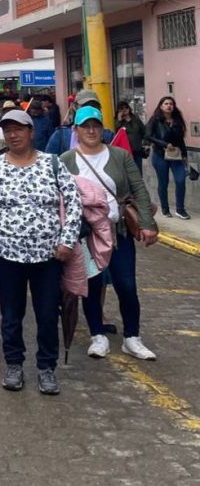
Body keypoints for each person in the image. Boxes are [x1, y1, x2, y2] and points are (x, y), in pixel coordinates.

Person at [0, 109, 82, 395]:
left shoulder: (53, 164)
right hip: (8, 255)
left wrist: (67, 241)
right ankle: (13, 364)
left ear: (31, 132)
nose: (13, 135)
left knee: (47, 314)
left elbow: (73, 204)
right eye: (8, 130)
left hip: (48, 255)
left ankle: (47, 368)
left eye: (19, 129)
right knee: (11, 314)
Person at [61, 106, 159, 361]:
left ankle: (132, 338)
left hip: (118, 232)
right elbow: (58, 199)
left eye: (95, 125)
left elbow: (139, 188)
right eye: (85, 126)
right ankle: (97, 335)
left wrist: (147, 223)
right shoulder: (66, 160)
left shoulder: (119, 155)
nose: (91, 130)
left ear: (102, 128)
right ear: (77, 130)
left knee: (126, 285)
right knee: (92, 286)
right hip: (86, 235)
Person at [145, 96, 190, 219]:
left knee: (181, 180)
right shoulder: (155, 120)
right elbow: (148, 136)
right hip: (160, 155)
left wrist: (184, 155)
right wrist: (164, 144)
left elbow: (181, 139)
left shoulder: (177, 120)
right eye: (166, 103)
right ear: (161, 106)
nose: (169, 106)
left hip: (176, 155)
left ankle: (180, 209)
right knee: (163, 182)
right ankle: (165, 209)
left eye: (171, 104)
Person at [46, 89, 113, 154]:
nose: (89, 109)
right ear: (74, 107)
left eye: (93, 105)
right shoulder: (61, 135)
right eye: (85, 105)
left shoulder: (108, 136)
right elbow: (50, 162)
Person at [116, 100, 147, 174]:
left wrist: (145, 144)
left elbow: (144, 131)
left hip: (137, 150)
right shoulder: (118, 122)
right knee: (128, 172)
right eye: (121, 108)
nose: (124, 110)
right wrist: (119, 121)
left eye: (126, 107)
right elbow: (117, 134)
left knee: (138, 172)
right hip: (125, 151)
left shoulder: (136, 119)